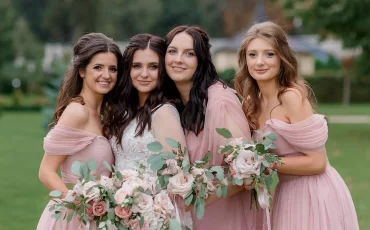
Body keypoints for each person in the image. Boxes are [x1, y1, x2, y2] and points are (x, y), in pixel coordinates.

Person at [234, 21, 359, 230]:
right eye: (252, 54)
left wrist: (266, 162)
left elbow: (317, 163)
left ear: (282, 58)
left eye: (269, 54)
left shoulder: (290, 97)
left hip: (315, 193)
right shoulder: (250, 104)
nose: (260, 62)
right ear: (245, 60)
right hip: (285, 193)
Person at [164, 25, 265, 230]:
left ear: (201, 60)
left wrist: (199, 199)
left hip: (225, 216)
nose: (178, 59)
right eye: (172, 51)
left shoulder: (220, 102)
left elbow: (247, 171)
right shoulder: (175, 104)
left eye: (189, 53)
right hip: (194, 218)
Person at [37, 33, 123, 229]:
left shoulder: (104, 115)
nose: (106, 75)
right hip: (74, 218)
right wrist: (79, 205)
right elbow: (46, 171)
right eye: (98, 67)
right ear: (82, 71)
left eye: (113, 69)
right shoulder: (77, 112)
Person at [106, 34, 189, 227]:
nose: (144, 74)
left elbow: (180, 170)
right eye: (137, 66)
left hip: (153, 217)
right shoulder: (125, 111)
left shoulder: (164, 112)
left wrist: (150, 208)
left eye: (153, 67)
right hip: (124, 213)